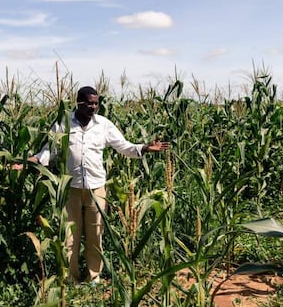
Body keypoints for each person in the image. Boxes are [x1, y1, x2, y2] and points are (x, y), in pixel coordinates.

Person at [13, 86, 169, 285]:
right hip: (71, 188)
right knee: (70, 236)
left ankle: (93, 276)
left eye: (96, 103)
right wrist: (29, 162)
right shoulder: (63, 123)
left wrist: (144, 148)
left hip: (97, 188)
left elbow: (123, 146)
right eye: (89, 103)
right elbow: (49, 152)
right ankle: (71, 278)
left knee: (96, 234)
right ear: (78, 102)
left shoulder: (103, 124)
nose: (93, 107)